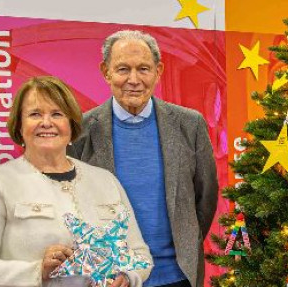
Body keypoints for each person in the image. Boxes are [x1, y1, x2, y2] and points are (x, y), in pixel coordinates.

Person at [0, 76, 151, 286]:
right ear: (19, 126)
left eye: (57, 114)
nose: (46, 122)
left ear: (71, 125)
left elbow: (139, 255)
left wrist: (128, 277)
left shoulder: (106, 181)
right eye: (35, 114)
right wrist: (38, 271)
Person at [70, 30, 218, 287]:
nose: (134, 80)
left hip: (177, 275)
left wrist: (185, 240)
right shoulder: (81, 130)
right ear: (106, 72)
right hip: (112, 277)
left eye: (144, 69)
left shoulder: (189, 124)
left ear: (158, 71)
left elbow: (205, 198)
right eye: (123, 69)